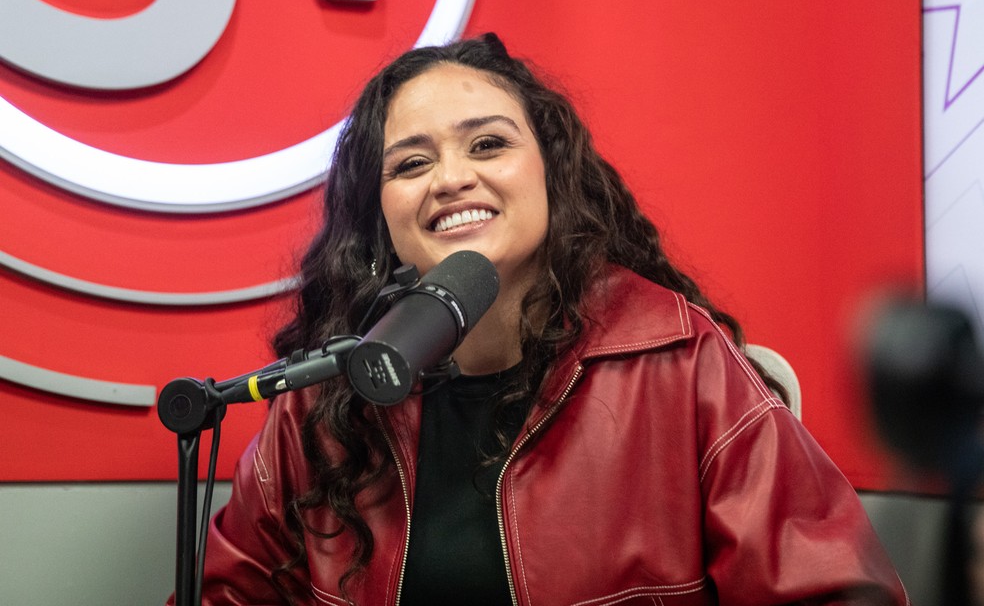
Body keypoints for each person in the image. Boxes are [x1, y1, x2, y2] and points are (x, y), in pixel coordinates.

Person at [185, 33, 909, 605]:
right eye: (410, 164)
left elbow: (834, 592)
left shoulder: (678, 357)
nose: (450, 178)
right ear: (379, 218)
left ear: (551, 175)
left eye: (489, 144)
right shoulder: (331, 390)